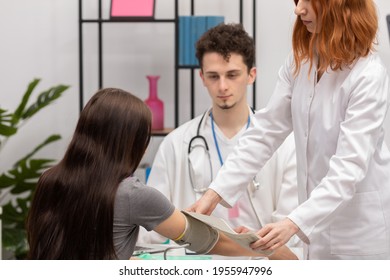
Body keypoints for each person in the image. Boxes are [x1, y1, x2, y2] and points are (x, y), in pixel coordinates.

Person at [190, 0, 390, 260]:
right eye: (297, 1)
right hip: (315, 232)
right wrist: (214, 193)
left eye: (308, 1)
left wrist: (292, 222)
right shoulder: (299, 63)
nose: (298, 9)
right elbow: (265, 132)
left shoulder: (368, 75)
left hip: (359, 234)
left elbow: (349, 168)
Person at [26, 88, 281, 260]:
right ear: (133, 143)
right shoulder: (132, 195)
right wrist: (259, 246)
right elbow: (206, 240)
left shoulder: (48, 181)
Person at [137, 23, 301, 259]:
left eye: (232, 75)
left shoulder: (286, 146)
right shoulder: (176, 144)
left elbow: (290, 233)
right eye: (213, 76)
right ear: (202, 77)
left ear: (251, 75)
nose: (223, 86)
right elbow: (150, 230)